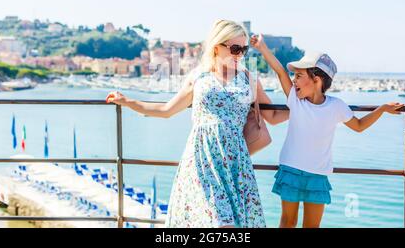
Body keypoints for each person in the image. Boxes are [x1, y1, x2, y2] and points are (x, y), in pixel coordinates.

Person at [106, 20, 288, 227]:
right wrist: (128, 102)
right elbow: (167, 110)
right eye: (235, 48)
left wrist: (308, 105)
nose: (240, 55)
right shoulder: (199, 77)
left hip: (234, 164)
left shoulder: (249, 79)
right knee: (220, 223)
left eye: (244, 49)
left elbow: (273, 116)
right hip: (201, 160)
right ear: (217, 47)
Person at [250, 33, 404, 228]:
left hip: (317, 175)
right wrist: (262, 47)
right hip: (291, 170)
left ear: (317, 79)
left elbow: (358, 126)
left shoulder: (336, 106)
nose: (294, 81)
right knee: (287, 222)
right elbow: (280, 71)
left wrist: (381, 109)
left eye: (299, 76)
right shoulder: (295, 100)